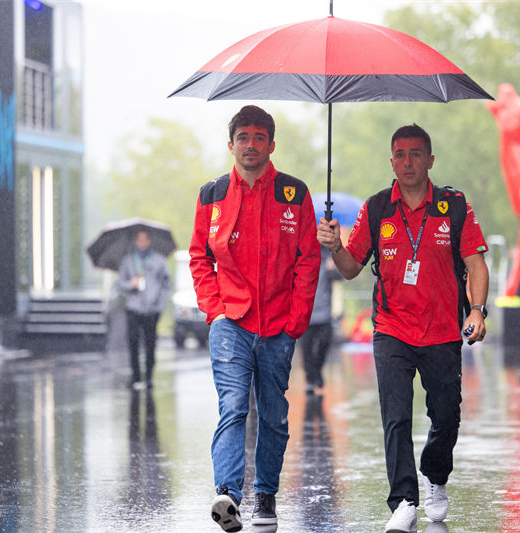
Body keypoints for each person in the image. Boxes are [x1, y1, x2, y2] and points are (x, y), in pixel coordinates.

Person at [317, 124, 489, 532]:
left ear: (430, 160)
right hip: (391, 328)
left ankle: (436, 476)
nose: (407, 162)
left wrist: (478, 310)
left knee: (446, 415)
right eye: (399, 154)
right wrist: (336, 245)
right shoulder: (377, 209)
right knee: (395, 417)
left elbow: (476, 263)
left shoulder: (455, 206)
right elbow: (350, 269)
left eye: (415, 154)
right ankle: (404, 501)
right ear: (391, 160)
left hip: (444, 329)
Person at [189, 105, 320, 531]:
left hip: (279, 325)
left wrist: (297, 319)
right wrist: (214, 309)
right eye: (243, 137)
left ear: (271, 145)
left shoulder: (293, 194)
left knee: (273, 414)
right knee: (232, 407)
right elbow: (199, 256)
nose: (251, 144)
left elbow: (307, 258)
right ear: (231, 145)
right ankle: (228, 494)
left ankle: (265, 496)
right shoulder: (211, 195)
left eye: (259, 137)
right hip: (230, 322)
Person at [116, 229, 170, 389]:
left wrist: (160, 305)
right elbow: (120, 283)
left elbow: (166, 285)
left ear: (150, 241)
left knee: (150, 343)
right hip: (133, 308)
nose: (142, 243)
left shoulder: (159, 261)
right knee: (133, 342)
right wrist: (130, 284)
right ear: (135, 241)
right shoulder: (128, 261)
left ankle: (149, 376)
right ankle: (135, 376)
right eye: (139, 239)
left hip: (152, 309)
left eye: (145, 239)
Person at [301, 246, 343, 395]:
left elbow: (342, 276)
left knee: (325, 344)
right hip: (306, 314)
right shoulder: (302, 255)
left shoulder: (328, 255)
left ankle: (317, 371)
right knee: (306, 350)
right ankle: (310, 380)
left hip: (325, 313)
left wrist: (333, 269)